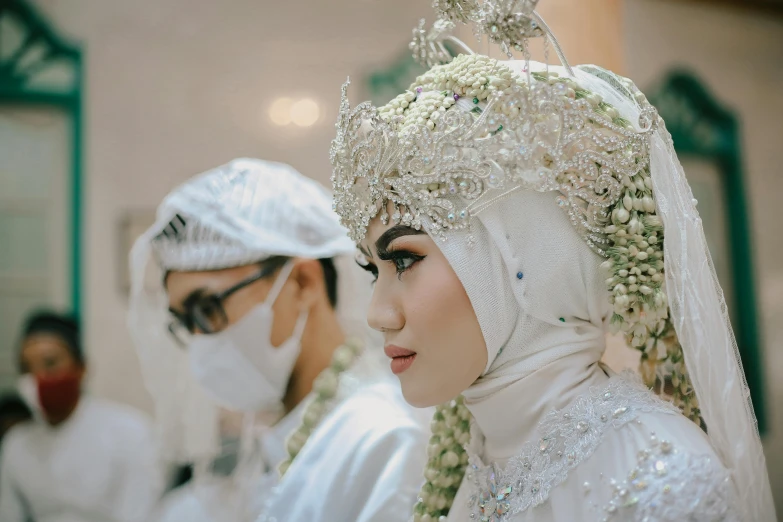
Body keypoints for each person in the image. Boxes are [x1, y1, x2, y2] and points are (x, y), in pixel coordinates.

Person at [330, 5, 776, 521]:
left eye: (405, 260)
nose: (377, 313)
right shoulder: (479, 468)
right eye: (372, 270)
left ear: (528, 259)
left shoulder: (666, 481)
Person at [128, 158, 430, 522]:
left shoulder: (380, 438)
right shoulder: (283, 431)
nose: (199, 340)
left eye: (208, 308)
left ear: (303, 283)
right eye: (184, 321)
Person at [0, 311, 162, 522]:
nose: (38, 378)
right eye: (26, 368)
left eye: (50, 364)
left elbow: (139, 514)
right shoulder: (17, 444)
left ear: (81, 368)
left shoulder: (131, 432)